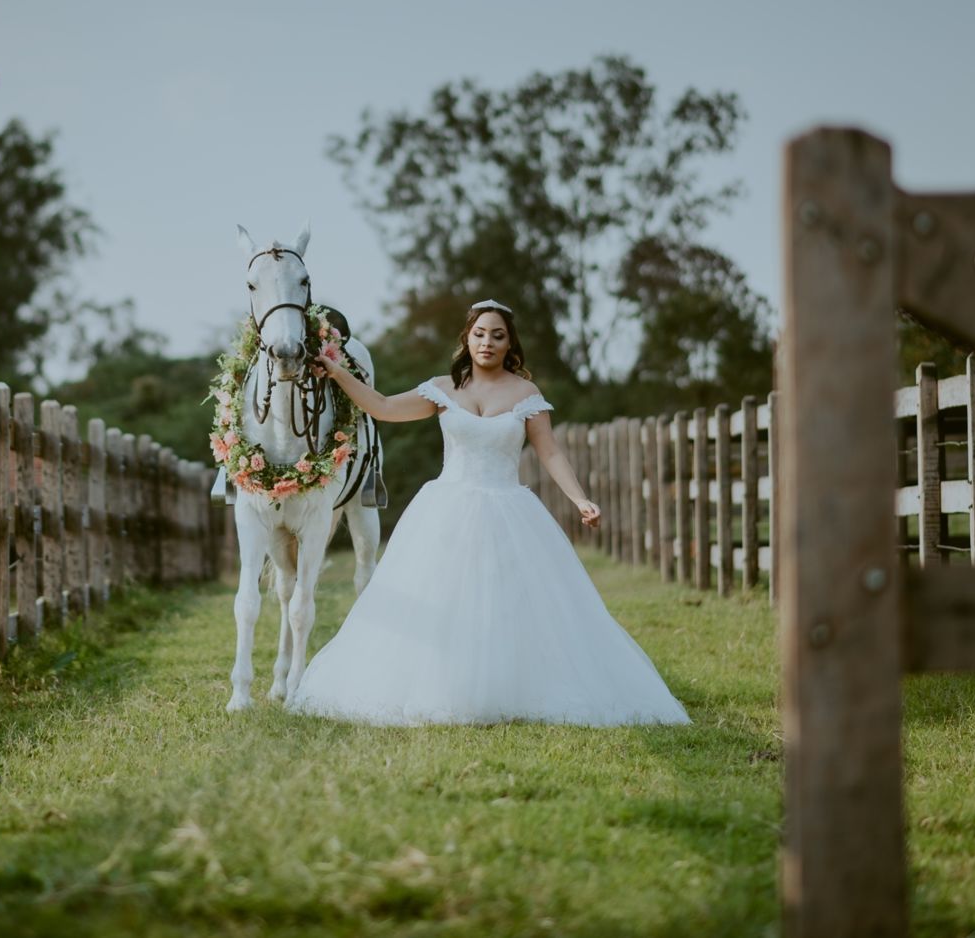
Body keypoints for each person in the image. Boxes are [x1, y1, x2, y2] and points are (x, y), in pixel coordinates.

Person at [285, 299, 690, 727]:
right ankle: (443, 687)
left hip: (508, 510)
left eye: (498, 335)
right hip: (446, 510)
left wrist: (579, 498)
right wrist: (338, 372)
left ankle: (516, 687)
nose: (488, 342)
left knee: (514, 603)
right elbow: (382, 407)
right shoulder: (443, 389)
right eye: (480, 334)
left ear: (509, 342)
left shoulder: (526, 394)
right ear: (468, 338)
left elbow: (549, 451)